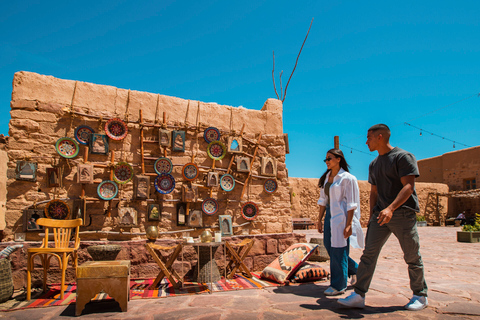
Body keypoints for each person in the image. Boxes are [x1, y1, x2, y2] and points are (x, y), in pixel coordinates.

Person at [338, 124, 428, 311]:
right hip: (380, 216)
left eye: (369, 138)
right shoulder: (374, 164)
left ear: (380, 137)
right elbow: (374, 192)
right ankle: (359, 294)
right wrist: (373, 214)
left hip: (402, 214)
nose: (366, 142)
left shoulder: (403, 157)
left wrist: (391, 208)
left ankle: (420, 294)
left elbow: (408, 187)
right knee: (368, 255)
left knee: (411, 255)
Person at [317, 148, 364, 296]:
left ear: (339, 159)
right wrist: (319, 219)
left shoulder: (348, 178)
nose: (326, 162)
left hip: (342, 217)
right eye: (325, 159)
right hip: (329, 216)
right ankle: (356, 270)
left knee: (339, 249)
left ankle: (338, 285)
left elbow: (351, 204)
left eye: (329, 158)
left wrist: (349, 224)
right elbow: (323, 200)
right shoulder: (327, 178)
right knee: (329, 246)